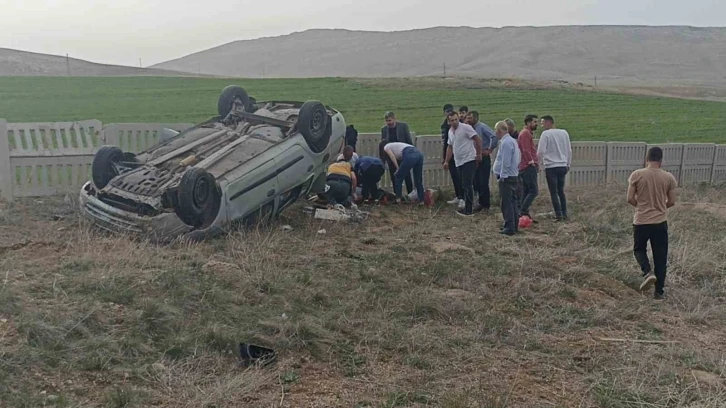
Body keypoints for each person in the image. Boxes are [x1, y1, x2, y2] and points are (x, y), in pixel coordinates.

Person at [627, 147, 678, 300]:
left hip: (641, 221)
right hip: (660, 222)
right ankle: (659, 292)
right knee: (660, 257)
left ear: (646, 159)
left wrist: (640, 207)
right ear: (661, 161)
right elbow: (672, 201)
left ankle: (648, 272)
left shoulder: (637, 175)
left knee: (639, 249)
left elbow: (629, 198)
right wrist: (661, 207)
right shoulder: (669, 178)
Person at [444, 111, 482, 217]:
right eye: (452, 120)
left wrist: (478, 154)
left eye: (456, 119)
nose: (455, 122)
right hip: (458, 161)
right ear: (448, 122)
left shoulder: (465, 128)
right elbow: (450, 147)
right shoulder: (450, 132)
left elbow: (478, 140)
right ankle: (467, 206)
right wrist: (447, 160)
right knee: (463, 184)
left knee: (467, 184)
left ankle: (469, 210)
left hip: (469, 159)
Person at [537, 115, 572, 221]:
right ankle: (564, 213)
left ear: (548, 122)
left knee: (553, 192)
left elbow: (541, 151)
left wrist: (538, 163)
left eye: (543, 123)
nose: (541, 125)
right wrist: (568, 164)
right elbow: (569, 150)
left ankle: (558, 215)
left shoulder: (546, 134)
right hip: (562, 165)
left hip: (551, 166)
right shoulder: (564, 133)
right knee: (561, 191)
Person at [492, 121, 521, 236]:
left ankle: (509, 226)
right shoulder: (512, 141)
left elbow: (506, 161)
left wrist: (503, 176)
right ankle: (514, 224)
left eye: (495, 130)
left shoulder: (506, 143)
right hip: (513, 175)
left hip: (507, 177)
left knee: (506, 203)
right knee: (512, 201)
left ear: (499, 131)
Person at [466, 111, 498, 212]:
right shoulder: (469, 128)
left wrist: (489, 149)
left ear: (475, 118)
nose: (468, 120)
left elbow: (494, 136)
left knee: (483, 181)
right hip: (474, 157)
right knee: (476, 181)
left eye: (470, 118)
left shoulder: (482, 127)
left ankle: (486, 205)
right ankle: (479, 203)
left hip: (483, 156)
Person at [379, 140, 427, 205]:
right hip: (419, 154)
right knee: (418, 180)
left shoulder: (386, 147)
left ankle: (398, 200)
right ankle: (421, 201)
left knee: (398, 177)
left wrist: (398, 168)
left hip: (410, 154)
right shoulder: (396, 145)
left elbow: (392, 157)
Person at [381, 111, 414, 194]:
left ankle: (410, 194)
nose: (389, 123)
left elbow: (408, 140)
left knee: (406, 175)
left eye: (390, 120)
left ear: (394, 119)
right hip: (391, 155)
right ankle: (397, 194)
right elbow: (383, 144)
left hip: (403, 154)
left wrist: (411, 153)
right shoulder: (384, 129)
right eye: (387, 121)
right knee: (394, 175)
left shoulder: (403, 126)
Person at [441, 104, 463, 206]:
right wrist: (445, 158)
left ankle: (463, 197)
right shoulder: (445, 126)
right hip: (451, 154)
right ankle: (458, 196)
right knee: (454, 176)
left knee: (461, 177)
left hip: (460, 154)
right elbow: (446, 143)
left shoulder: (461, 125)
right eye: (447, 111)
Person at [518, 114, 539, 219]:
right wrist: (531, 162)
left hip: (525, 166)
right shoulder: (526, 133)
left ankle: (522, 214)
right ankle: (523, 210)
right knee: (534, 190)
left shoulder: (526, 133)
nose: (537, 124)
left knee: (526, 191)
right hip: (528, 166)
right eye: (535, 122)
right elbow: (526, 149)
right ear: (528, 123)